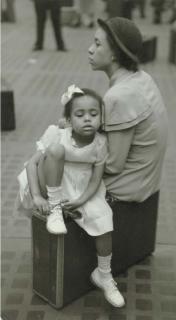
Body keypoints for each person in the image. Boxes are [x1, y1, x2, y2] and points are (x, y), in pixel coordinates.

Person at [17, 85, 125, 308]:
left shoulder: (101, 143)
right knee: (56, 150)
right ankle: (55, 209)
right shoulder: (57, 134)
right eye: (79, 114)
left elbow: (96, 179)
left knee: (104, 219)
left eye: (94, 114)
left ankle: (103, 274)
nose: (87, 119)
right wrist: (38, 196)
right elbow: (32, 163)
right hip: (52, 178)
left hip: (81, 186)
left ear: (101, 118)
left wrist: (82, 200)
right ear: (67, 118)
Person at [88, 14, 168, 274]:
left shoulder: (119, 96)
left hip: (130, 186)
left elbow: (113, 164)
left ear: (114, 55)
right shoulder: (141, 78)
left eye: (98, 44)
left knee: (51, 163)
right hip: (148, 178)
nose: (90, 49)